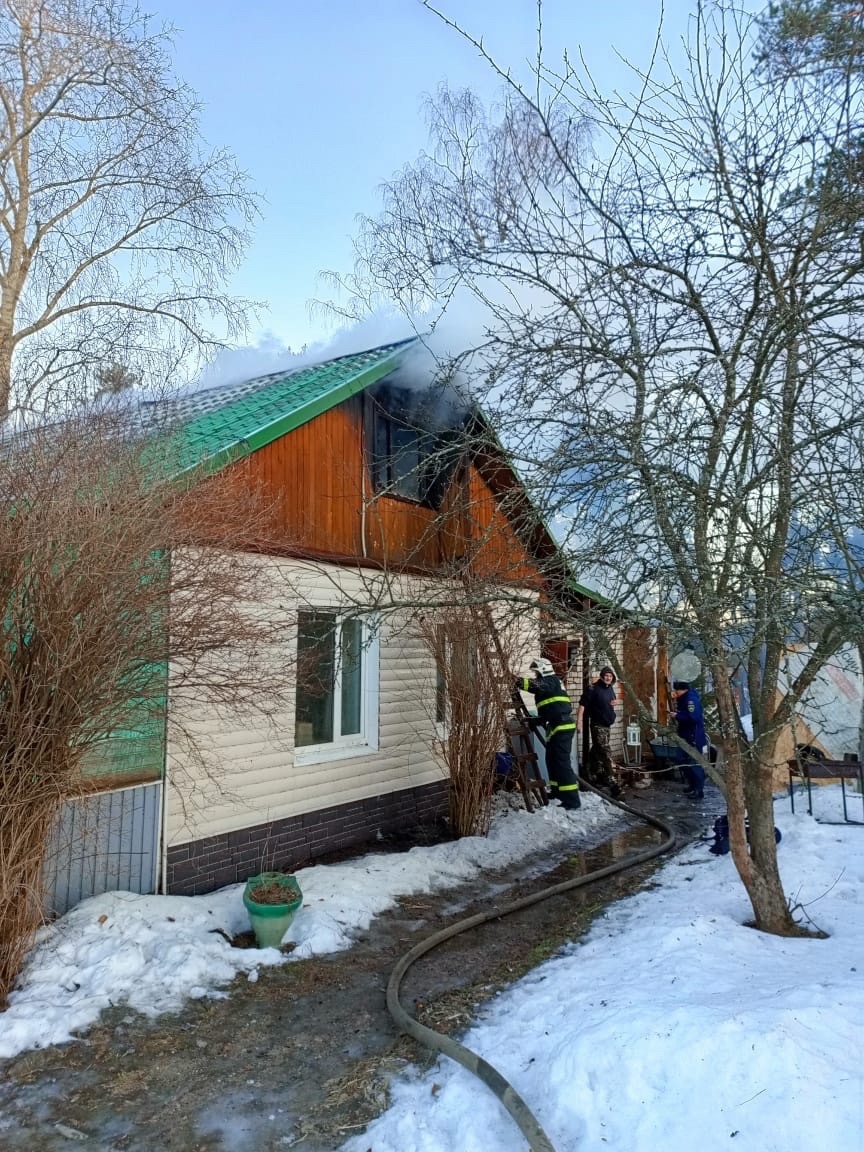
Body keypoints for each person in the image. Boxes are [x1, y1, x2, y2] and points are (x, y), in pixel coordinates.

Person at [515, 658, 581, 810]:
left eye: (537, 672)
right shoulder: (548, 686)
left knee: (562, 764)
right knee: (552, 761)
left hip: (562, 726)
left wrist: (517, 681)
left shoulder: (551, 681)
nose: (536, 675)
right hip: (555, 726)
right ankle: (558, 792)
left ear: (544, 669)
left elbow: (536, 686)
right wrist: (535, 720)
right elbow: (550, 710)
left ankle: (572, 801)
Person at [577, 667, 621, 796]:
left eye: (610, 676)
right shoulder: (593, 688)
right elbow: (582, 705)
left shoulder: (610, 688)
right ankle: (612, 781)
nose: (608, 678)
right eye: (606, 675)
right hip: (597, 724)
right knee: (605, 751)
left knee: (597, 750)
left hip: (607, 725)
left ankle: (591, 774)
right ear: (602, 676)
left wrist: (613, 705)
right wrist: (579, 721)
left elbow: (611, 701)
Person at [671, 680, 707, 800]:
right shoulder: (683, 699)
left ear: (683, 689)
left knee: (694, 763)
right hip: (685, 735)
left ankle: (698, 789)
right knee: (681, 759)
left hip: (693, 736)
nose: (675, 692)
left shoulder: (691, 699)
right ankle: (692, 784)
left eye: (677, 690)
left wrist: (677, 716)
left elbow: (693, 717)